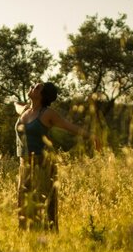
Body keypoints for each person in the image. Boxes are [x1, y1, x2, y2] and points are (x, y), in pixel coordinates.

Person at [15, 82, 100, 231]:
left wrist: (92, 137)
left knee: (43, 204)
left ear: (43, 95)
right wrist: (19, 105)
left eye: (37, 87)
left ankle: (48, 239)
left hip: (43, 165)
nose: (32, 87)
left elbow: (69, 126)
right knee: (24, 204)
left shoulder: (47, 113)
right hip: (24, 165)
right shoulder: (25, 110)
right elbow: (16, 104)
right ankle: (26, 239)